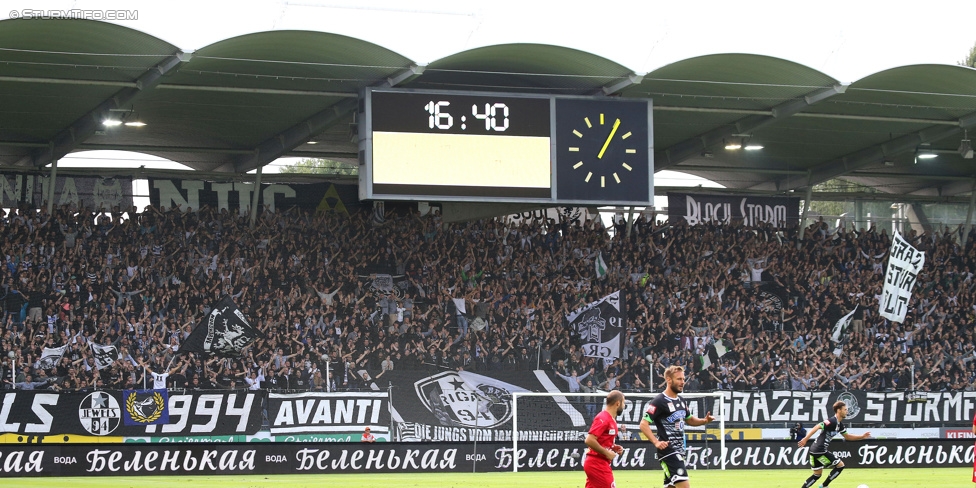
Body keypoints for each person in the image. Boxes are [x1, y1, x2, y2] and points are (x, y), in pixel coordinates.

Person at [639, 365, 715, 488]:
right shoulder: (659, 401)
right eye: (679, 379)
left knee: (671, 486)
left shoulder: (681, 401)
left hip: (679, 451)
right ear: (669, 380)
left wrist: (704, 421)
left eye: (683, 379)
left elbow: (689, 419)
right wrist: (656, 442)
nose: (682, 382)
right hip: (669, 452)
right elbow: (643, 424)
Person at [797, 400, 871, 488]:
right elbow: (818, 426)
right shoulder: (832, 421)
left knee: (817, 474)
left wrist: (862, 437)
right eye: (845, 409)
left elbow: (847, 436)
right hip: (820, 450)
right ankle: (824, 486)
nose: (847, 411)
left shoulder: (840, 425)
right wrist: (805, 439)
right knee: (840, 465)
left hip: (814, 450)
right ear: (839, 410)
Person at [583, 390, 625, 488]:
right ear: (618, 403)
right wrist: (607, 453)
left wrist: (613, 447)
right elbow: (589, 440)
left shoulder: (611, 419)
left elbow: (601, 440)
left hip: (599, 463)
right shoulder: (603, 418)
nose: (624, 406)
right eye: (623, 403)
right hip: (597, 464)